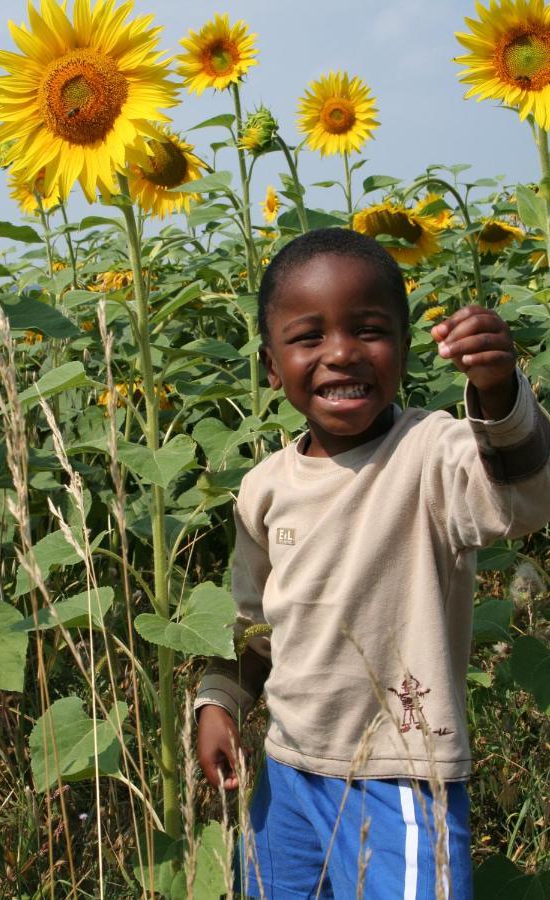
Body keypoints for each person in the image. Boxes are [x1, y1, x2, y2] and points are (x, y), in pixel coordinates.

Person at [194, 228, 550, 899]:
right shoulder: (264, 487)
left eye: (369, 330)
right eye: (309, 337)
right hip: (288, 771)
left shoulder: (431, 453)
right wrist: (219, 703)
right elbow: (250, 625)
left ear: (406, 349)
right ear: (271, 365)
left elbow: (524, 500)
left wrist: (499, 392)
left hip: (401, 775)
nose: (341, 353)